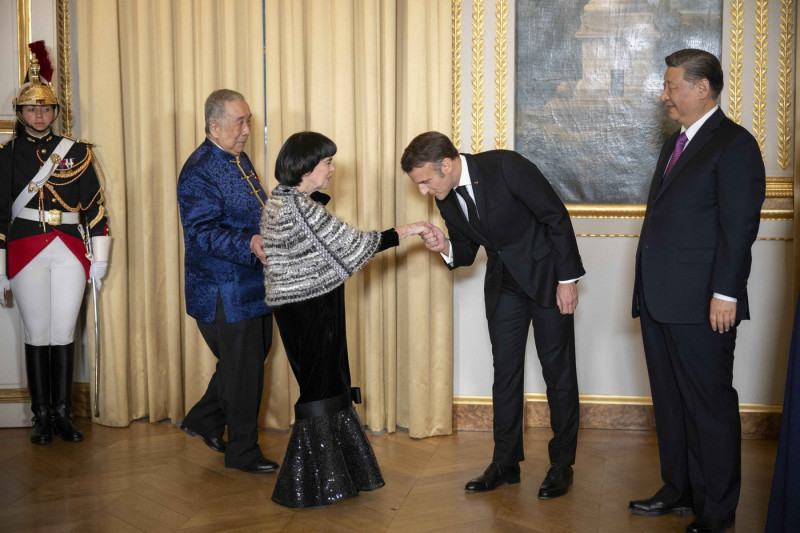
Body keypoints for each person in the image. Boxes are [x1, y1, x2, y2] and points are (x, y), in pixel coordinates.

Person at [401, 131, 585, 499]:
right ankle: (505, 463)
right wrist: (446, 245)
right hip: (504, 286)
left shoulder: (505, 166)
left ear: (447, 165)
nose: (423, 190)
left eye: (425, 181)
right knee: (505, 374)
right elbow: (468, 248)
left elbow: (555, 216)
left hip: (547, 280)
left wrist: (567, 279)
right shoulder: (445, 195)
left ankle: (561, 464)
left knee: (558, 373)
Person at [630, 49, 765, 533]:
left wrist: (726, 293)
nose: (663, 96)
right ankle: (680, 489)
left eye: (671, 87)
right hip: (660, 298)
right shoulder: (676, 144)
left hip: (705, 304)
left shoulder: (735, 145)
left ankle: (717, 511)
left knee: (710, 407)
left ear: (701, 88)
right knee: (670, 401)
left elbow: (738, 227)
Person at [261, 131, 426, 508]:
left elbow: (340, 249)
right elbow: (356, 246)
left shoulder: (287, 201)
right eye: (327, 163)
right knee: (321, 387)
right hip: (308, 309)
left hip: (309, 305)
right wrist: (413, 229)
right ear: (306, 167)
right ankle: (307, 486)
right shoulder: (296, 207)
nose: (332, 169)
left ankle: (342, 474)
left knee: (330, 383)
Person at [0, 57, 110, 445]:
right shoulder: (6, 155)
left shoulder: (77, 152)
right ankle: (40, 416)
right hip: (25, 248)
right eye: (32, 108)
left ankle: (62, 415)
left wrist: (101, 257)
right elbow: (0, 215)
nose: (40, 114)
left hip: (69, 250)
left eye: (46, 108)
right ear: (21, 112)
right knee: (37, 333)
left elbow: (95, 207)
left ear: (54, 111)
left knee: (63, 332)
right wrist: (0, 267)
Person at [177, 89, 277, 474]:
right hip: (222, 290)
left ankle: (204, 420)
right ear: (214, 127)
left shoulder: (237, 157)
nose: (247, 129)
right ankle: (242, 452)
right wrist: (250, 242)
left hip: (253, 283)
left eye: (248, 120)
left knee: (248, 361)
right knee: (243, 371)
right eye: (240, 122)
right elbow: (201, 232)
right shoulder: (199, 170)